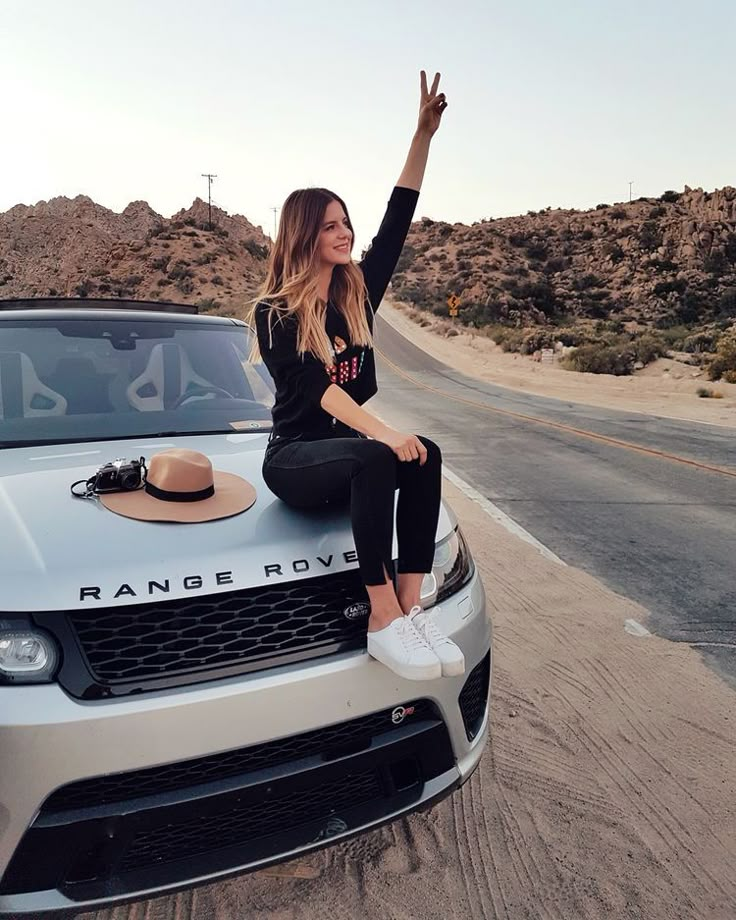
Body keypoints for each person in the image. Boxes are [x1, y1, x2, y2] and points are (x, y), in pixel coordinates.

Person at [250, 71, 464, 682]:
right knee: (379, 455)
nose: (344, 233)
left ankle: (411, 606)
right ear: (302, 235)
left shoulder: (355, 300)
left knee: (426, 455)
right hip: (294, 458)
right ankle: (381, 619)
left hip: (342, 451)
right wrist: (385, 433)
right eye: (329, 225)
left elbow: (397, 220)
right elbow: (320, 391)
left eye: (346, 223)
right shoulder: (276, 314)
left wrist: (421, 136)